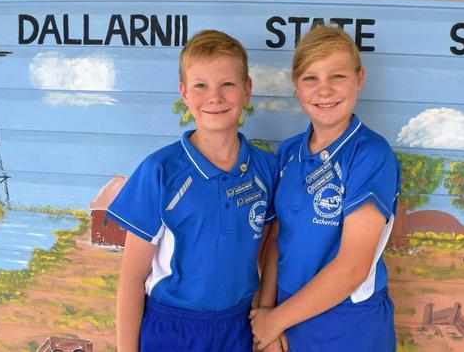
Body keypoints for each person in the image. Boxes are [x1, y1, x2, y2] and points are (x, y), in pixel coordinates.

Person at [108, 29, 279, 352]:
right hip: (172, 330)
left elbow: (268, 251)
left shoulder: (266, 169)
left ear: (247, 90)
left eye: (227, 84)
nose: (214, 97)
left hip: (238, 327)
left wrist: (267, 317)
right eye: (201, 86)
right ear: (184, 93)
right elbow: (132, 278)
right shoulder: (159, 171)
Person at [251, 25, 399, 351]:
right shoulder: (289, 153)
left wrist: (275, 321)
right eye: (310, 78)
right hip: (289, 317)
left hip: (349, 323)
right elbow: (277, 239)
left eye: (337, 76)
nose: (324, 90)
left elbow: (353, 268)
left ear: (360, 78)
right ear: (296, 86)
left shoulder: (370, 154)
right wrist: (265, 314)